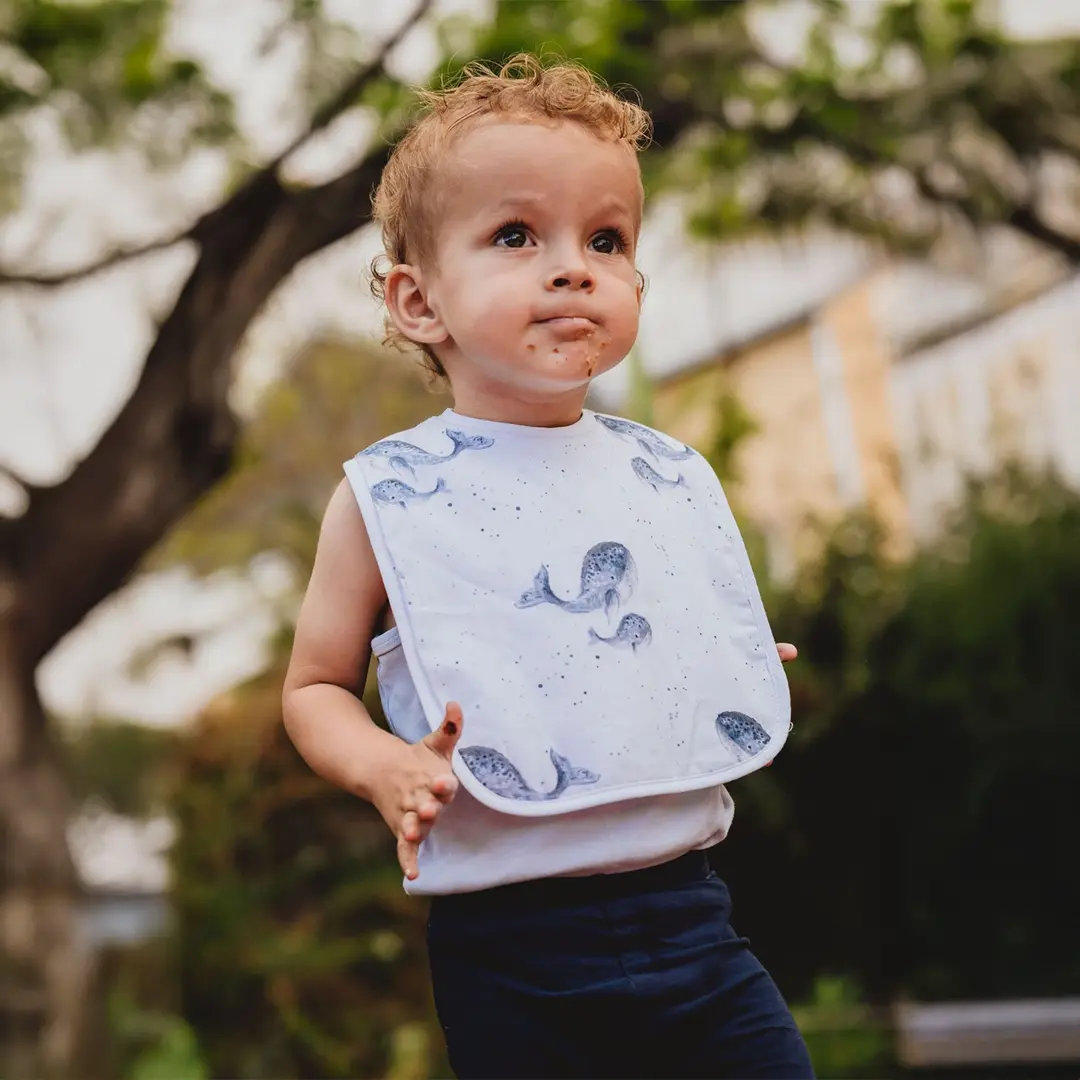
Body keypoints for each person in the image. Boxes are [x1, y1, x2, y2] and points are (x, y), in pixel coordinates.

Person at [282, 54, 814, 1080]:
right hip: (510, 953)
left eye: (607, 240)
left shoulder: (663, 473)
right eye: (517, 235)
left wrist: (720, 656)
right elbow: (313, 688)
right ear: (418, 301)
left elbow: (648, 633)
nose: (573, 268)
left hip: (694, 922)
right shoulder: (390, 497)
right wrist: (383, 766)